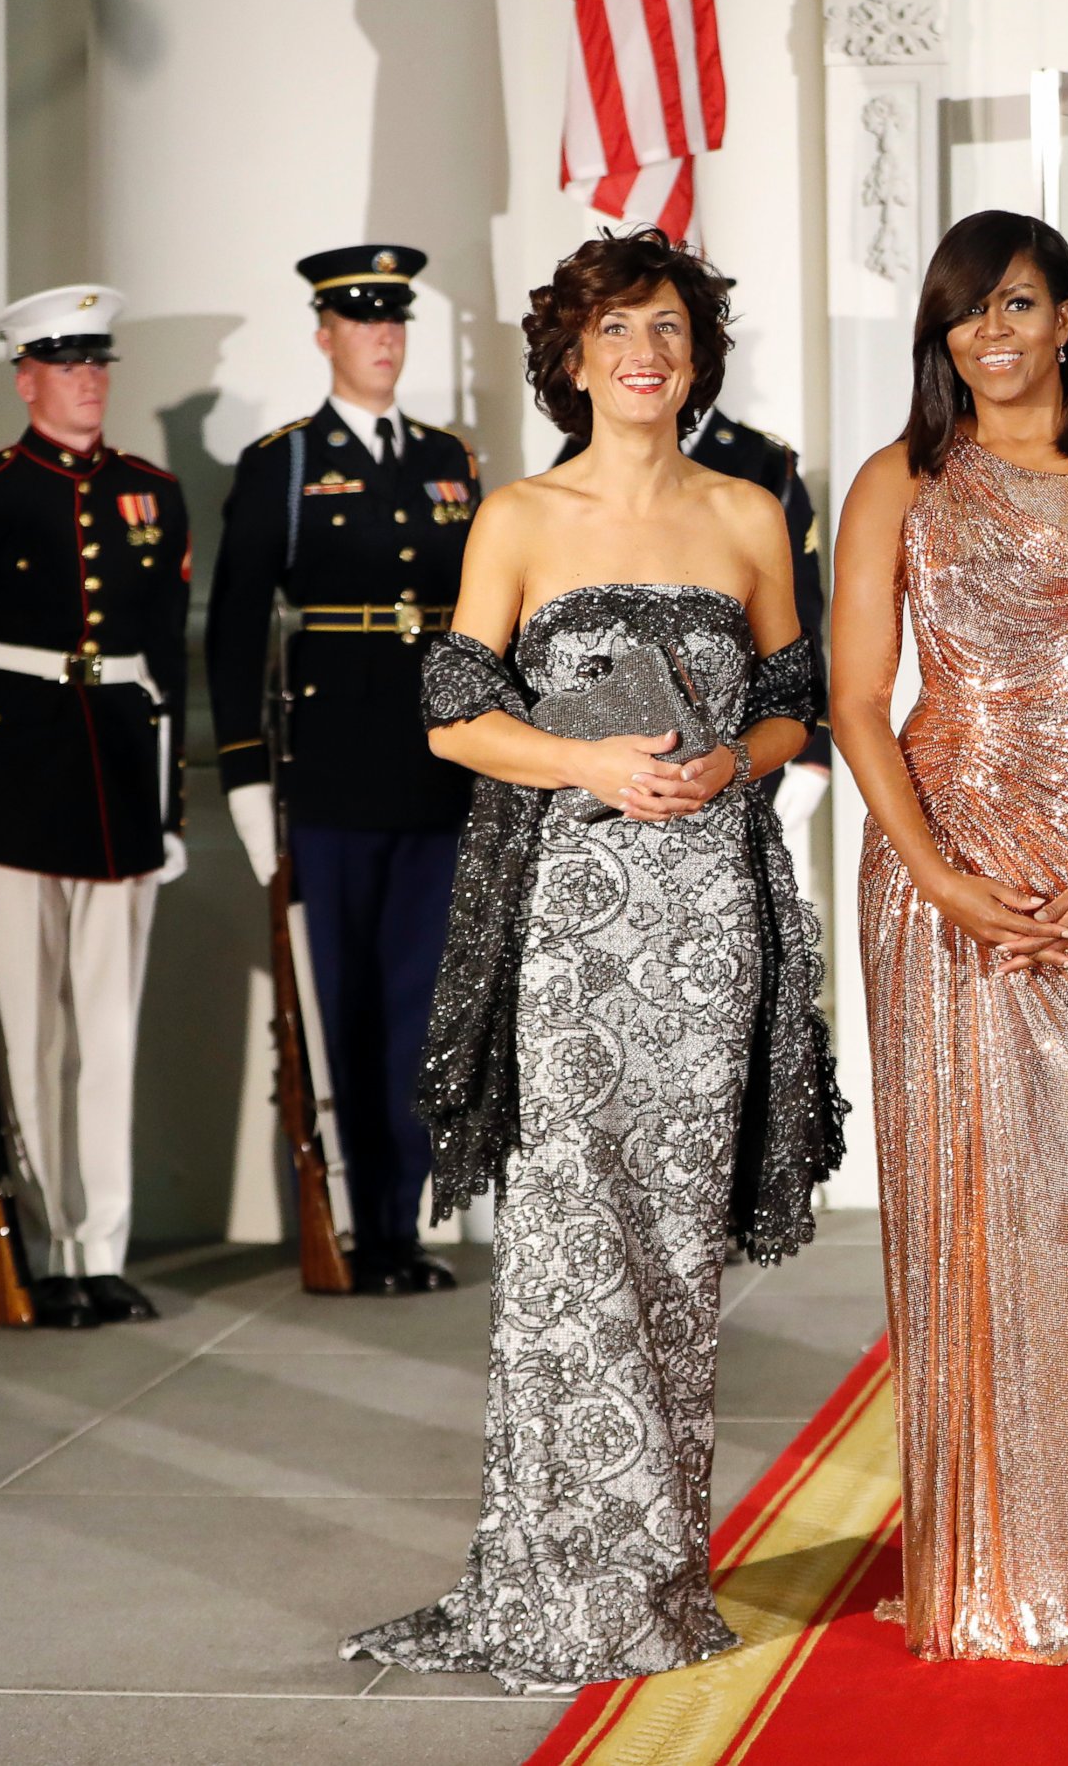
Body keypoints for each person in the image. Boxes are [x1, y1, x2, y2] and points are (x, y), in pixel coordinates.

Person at [341, 228, 847, 1691]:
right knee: (570, 1245)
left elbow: (794, 709)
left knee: (678, 1254)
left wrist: (730, 767)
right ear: (570, 356)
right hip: (570, 921)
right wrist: (584, 766)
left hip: (711, 925)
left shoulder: (752, 512)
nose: (648, 354)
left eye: (673, 331)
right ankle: (555, 1580)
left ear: (700, 358)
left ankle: (656, 1581)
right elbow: (451, 711)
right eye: (620, 330)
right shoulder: (518, 515)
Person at [830, 210, 1068, 1663]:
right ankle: (973, 1569)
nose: (993, 334)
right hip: (938, 871)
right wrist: (939, 876)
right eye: (966, 314)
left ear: (1066, 318)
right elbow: (862, 699)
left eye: (1018, 304)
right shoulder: (900, 482)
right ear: (942, 340)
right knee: (961, 1201)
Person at [207, 244, 477, 1295]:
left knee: (419, 1005)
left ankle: (398, 1228)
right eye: (364, 323)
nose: (384, 339)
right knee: (339, 1008)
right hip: (326, 776)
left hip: (436, 773)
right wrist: (243, 777)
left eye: (396, 322)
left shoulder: (449, 459)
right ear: (325, 335)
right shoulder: (282, 463)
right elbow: (236, 629)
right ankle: (350, 1223)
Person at [0, 286, 191, 1329]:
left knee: (107, 1035)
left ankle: (101, 1249)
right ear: (26, 377)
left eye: (98, 362)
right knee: (32, 1038)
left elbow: (168, 660)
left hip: (123, 786)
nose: (88, 379)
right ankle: (41, 1245)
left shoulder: (153, 492)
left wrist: (171, 804)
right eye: (66, 362)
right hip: (12, 786)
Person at [555, 401, 832, 883]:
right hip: (602, 762)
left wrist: (814, 749)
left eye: (670, 330)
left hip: (727, 748)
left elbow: (801, 618)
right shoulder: (577, 459)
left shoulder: (761, 461)